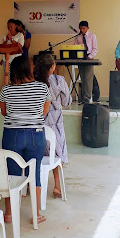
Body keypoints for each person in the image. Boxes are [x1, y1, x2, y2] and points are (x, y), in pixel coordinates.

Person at [0, 56, 51, 224]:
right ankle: (36, 215)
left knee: (11, 175)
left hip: (12, 135)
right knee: (34, 175)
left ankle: (9, 214)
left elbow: (4, 112)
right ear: (29, 69)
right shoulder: (42, 88)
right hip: (36, 134)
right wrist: (31, 117)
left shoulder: (6, 90)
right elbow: (45, 110)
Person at [34, 54, 71, 198]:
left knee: (37, 153)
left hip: (38, 118)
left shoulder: (34, 81)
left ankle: (33, 185)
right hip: (55, 119)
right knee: (57, 152)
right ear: (52, 67)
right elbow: (67, 102)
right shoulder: (58, 80)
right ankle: (57, 186)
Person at [74, 20, 100, 104]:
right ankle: (83, 98)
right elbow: (75, 48)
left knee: (88, 79)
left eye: (83, 28)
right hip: (81, 59)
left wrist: (90, 56)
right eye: (80, 28)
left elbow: (95, 48)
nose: (82, 30)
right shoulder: (78, 37)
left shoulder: (92, 36)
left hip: (89, 59)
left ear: (88, 28)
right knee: (83, 78)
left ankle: (88, 98)